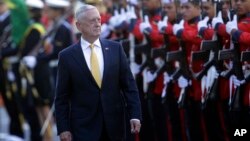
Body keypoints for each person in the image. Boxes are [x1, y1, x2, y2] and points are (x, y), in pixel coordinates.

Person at [54, 4, 142, 141]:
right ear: (79, 26)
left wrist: (135, 114)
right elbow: (61, 97)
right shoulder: (66, 56)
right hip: (84, 128)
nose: (97, 24)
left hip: (115, 125)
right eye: (91, 21)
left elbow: (129, 86)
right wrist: (63, 128)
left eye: (98, 20)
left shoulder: (115, 49)